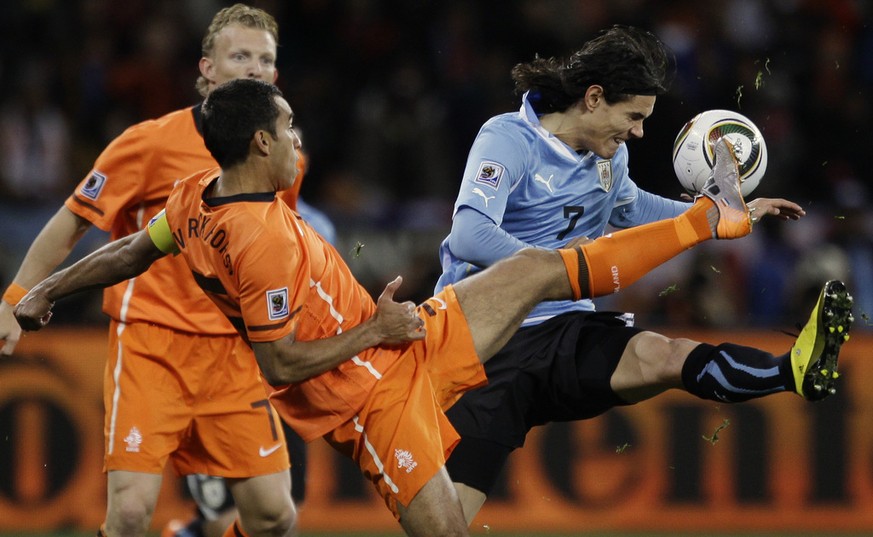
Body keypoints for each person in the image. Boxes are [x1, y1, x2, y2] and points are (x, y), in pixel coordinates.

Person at [16, 78, 794, 536]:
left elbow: (135, 247)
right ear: (258, 142)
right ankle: (707, 221)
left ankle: (708, 220)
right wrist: (373, 329)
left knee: (531, 267)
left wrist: (49, 288)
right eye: (286, 126)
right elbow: (279, 364)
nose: (297, 136)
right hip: (371, 396)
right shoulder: (259, 243)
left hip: (406, 339)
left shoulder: (195, 195)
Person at [434, 25, 855, 522]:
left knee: (665, 354)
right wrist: (552, 267)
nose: (638, 131)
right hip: (485, 346)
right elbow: (468, 235)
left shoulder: (611, 160)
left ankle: (791, 370)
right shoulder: (509, 138)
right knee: (446, 524)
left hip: (564, 333)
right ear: (594, 98)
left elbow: (633, 208)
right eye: (633, 116)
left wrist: (711, 218)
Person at [0, 5, 299, 537]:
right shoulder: (150, 142)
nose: (253, 68)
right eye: (240, 56)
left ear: (275, 76)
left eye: (264, 59)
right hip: (150, 347)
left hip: (232, 354)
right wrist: (16, 297)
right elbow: (72, 220)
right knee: (132, 514)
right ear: (207, 68)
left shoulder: (281, 154)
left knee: (274, 517)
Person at [166, 128, 334, 537]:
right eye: (286, 140)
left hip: (276, 384)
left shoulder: (316, 229)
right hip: (217, 374)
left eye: (299, 143)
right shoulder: (211, 207)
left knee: (282, 515)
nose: (294, 152)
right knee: (221, 515)